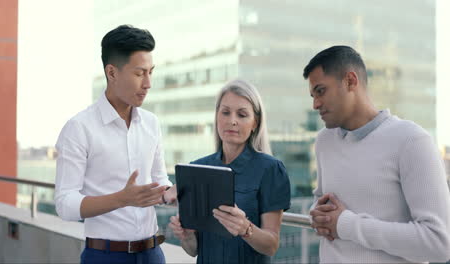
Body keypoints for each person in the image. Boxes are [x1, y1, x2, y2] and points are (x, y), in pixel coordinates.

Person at [305, 45, 450, 263]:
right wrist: (317, 212)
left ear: (350, 81)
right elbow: (321, 201)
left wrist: (347, 225)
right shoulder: (324, 141)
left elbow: (439, 243)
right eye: (312, 95)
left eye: (321, 91)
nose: (315, 104)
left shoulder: (412, 141)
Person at [55, 25, 177, 264]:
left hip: (153, 253)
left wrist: (169, 194)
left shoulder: (151, 123)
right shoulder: (79, 128)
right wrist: (122, 199)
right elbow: (64, 204)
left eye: (151, 72)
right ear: (112, 73)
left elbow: (159, 179)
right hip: (104, 256)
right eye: (140, 73)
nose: (148, 83)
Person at [168, 79, 291, 263]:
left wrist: (245, 228)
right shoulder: (197, 168)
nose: (232, 121)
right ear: (217, 116)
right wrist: (186, 236)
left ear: (255, 123)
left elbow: (271, 245)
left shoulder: (271, 169)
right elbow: (193, 251)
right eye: (225, 112)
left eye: (242, 115)